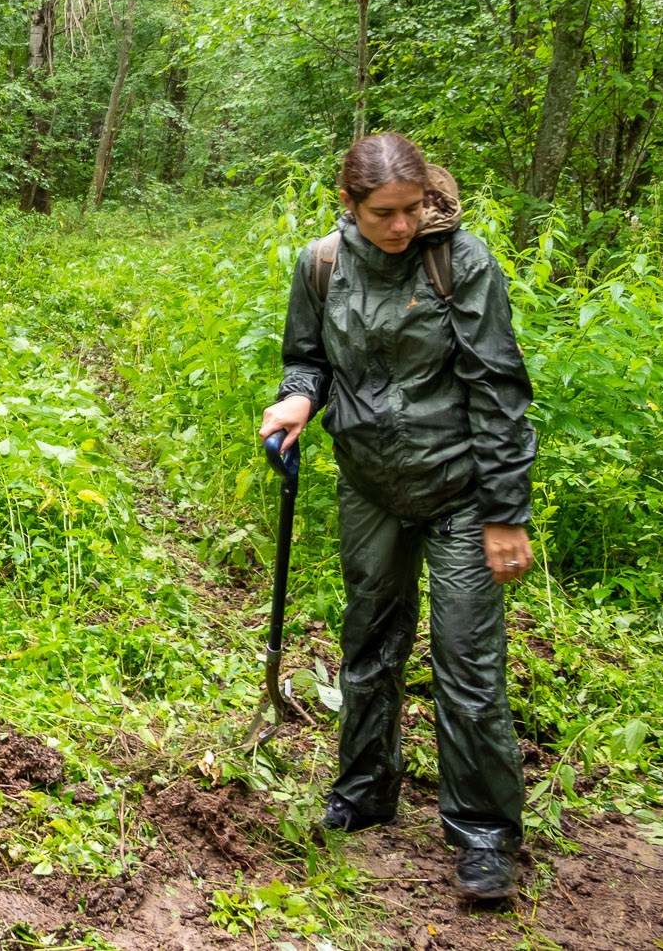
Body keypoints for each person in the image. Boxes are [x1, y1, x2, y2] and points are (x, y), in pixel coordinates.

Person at [258, 132, 536, 901]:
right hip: (369, 483)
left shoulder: (461, 262)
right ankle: (365, 787)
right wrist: (300, 396)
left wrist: (506, 512)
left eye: (414, 208)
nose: (403, 225)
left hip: (462, 490)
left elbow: (499, 389)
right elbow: (307, 357)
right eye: (385, 212)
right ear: (347, 204)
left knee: (467, 662)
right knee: (370, 637)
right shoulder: (322, 264)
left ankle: (483, 833)